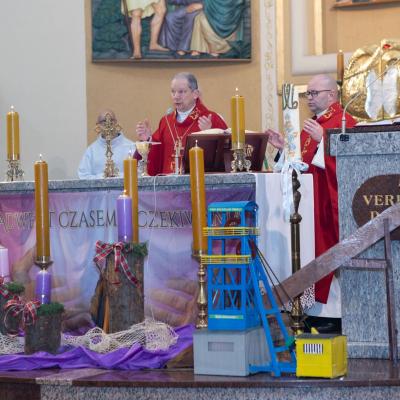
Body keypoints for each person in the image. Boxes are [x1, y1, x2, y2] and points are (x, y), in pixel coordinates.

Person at [266, 74, 357, 331]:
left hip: (327, 204)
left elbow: (350, 164)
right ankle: (312, 313)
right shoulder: (313, 125)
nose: (310, 98)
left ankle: (333, 316)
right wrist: (284, 149)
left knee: (325, 254)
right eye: (308, 94)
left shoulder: (345, 121)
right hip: (307, 205)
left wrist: (325, 140)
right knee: (307, 254)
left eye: (314, 93)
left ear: (332, 95)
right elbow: (300, 165)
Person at [136, 72, 227, 175]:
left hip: (197, 182)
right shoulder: (166, 122)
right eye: (173, 92)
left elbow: (225, 157)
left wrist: (210, 133)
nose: (176, 96)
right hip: (168, 183)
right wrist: (148, 140)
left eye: (181, 92)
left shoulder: (211, 119)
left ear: (195, 94)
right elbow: (156, 158)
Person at [78, 109, 135, 179]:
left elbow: (138, 173)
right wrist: (102, 177)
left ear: (116, 122)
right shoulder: (91, 151)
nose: (108, 124)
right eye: (104, 121)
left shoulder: (131, 147)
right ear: (98, 125)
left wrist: (118, 176)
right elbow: (83, 175)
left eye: (111, 120)